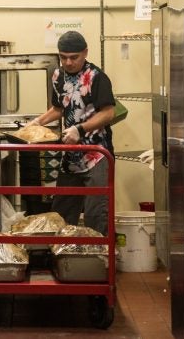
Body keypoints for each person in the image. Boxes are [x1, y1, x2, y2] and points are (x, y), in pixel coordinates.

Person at [28, 30, 115, 235]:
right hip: (70, 155)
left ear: (85, 53)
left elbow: (108, 113)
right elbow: (59, 108)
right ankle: (64, 259)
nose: (68, 62)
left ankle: (99, 260)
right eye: (63, 57)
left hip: (97, 154)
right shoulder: (58, 75)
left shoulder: (96, 77)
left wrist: (80, 128)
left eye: (73, 57)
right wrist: (37, 122)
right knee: (62, 211)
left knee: (96, 212)